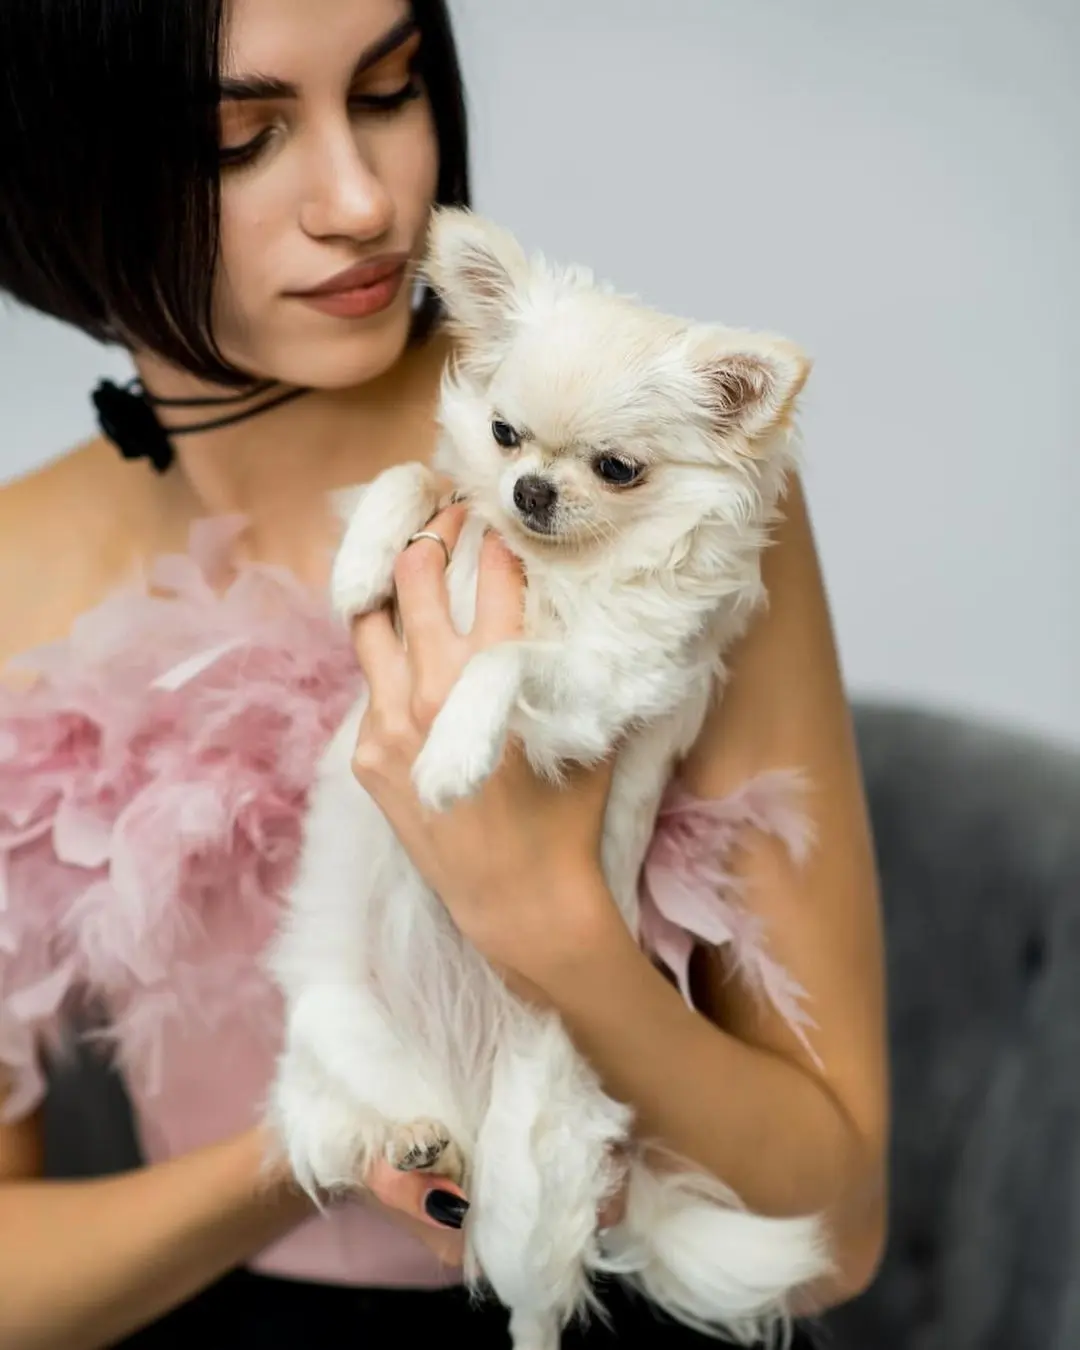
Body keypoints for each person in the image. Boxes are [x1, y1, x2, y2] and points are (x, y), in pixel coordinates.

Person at [0, 2, 888, 1347]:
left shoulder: (651, 489)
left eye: (391, 90)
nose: (364, 202)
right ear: (60, 162)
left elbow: (836, 1229)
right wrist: (332, 1142)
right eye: (240, 141)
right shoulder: (17, 584)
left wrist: (547, 924)